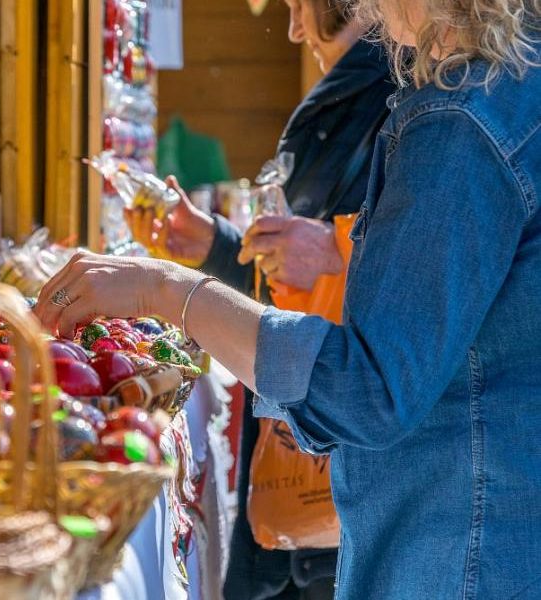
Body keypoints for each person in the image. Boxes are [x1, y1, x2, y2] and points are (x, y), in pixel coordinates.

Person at [35, 0, 541, 597]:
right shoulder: (510, 90)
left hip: (459, 554)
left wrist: (165, 289)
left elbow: (369, 388)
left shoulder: (462, 123)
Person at [130, 0, 395, 597]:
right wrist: (214, 244)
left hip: (347, 471)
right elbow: (294, 291)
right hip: (312, 449)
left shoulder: (402, 98)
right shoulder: (352, 95)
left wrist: (335, 250)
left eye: (299, 6)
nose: (295, 29)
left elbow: (425, 269)